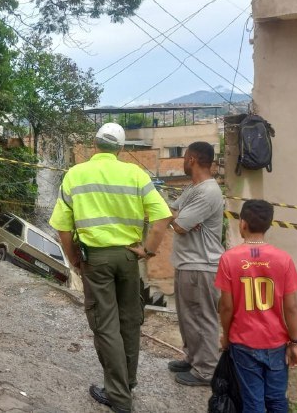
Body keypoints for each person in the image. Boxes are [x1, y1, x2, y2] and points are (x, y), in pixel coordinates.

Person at [49, 122, 172, 413]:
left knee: (106, 325)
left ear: (94, 146)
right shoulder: (135, 174)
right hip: (128, 258)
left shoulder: (75, 175)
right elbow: (163, 217)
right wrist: (148, 251)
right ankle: (127, 383)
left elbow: (63, 230)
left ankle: (118, 398)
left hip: (96, 259)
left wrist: (74, 260)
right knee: (129, 321)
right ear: (121, 149)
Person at [215, 199, 297, 413]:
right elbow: (291, 307)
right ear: (269, 225)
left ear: (242, 223)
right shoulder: (284, 259)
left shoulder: (229, 259)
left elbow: (226, 306)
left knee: (253, 401)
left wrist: (226, 335)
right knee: (276, 399)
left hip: (243, 342)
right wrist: (294, 342)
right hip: (276, 342)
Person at [167, 142, 225, 386]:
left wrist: (181, 219)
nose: (182, 161)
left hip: (202, 265)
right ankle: (193, 358)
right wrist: (181, 218)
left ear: (191, 159)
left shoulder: (208, 192)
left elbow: (178, 225)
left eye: (184, 156)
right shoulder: (193, 189)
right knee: (188, 317)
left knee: (202, 319)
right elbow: (172, 211)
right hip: (188, 263)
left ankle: (206, 370)